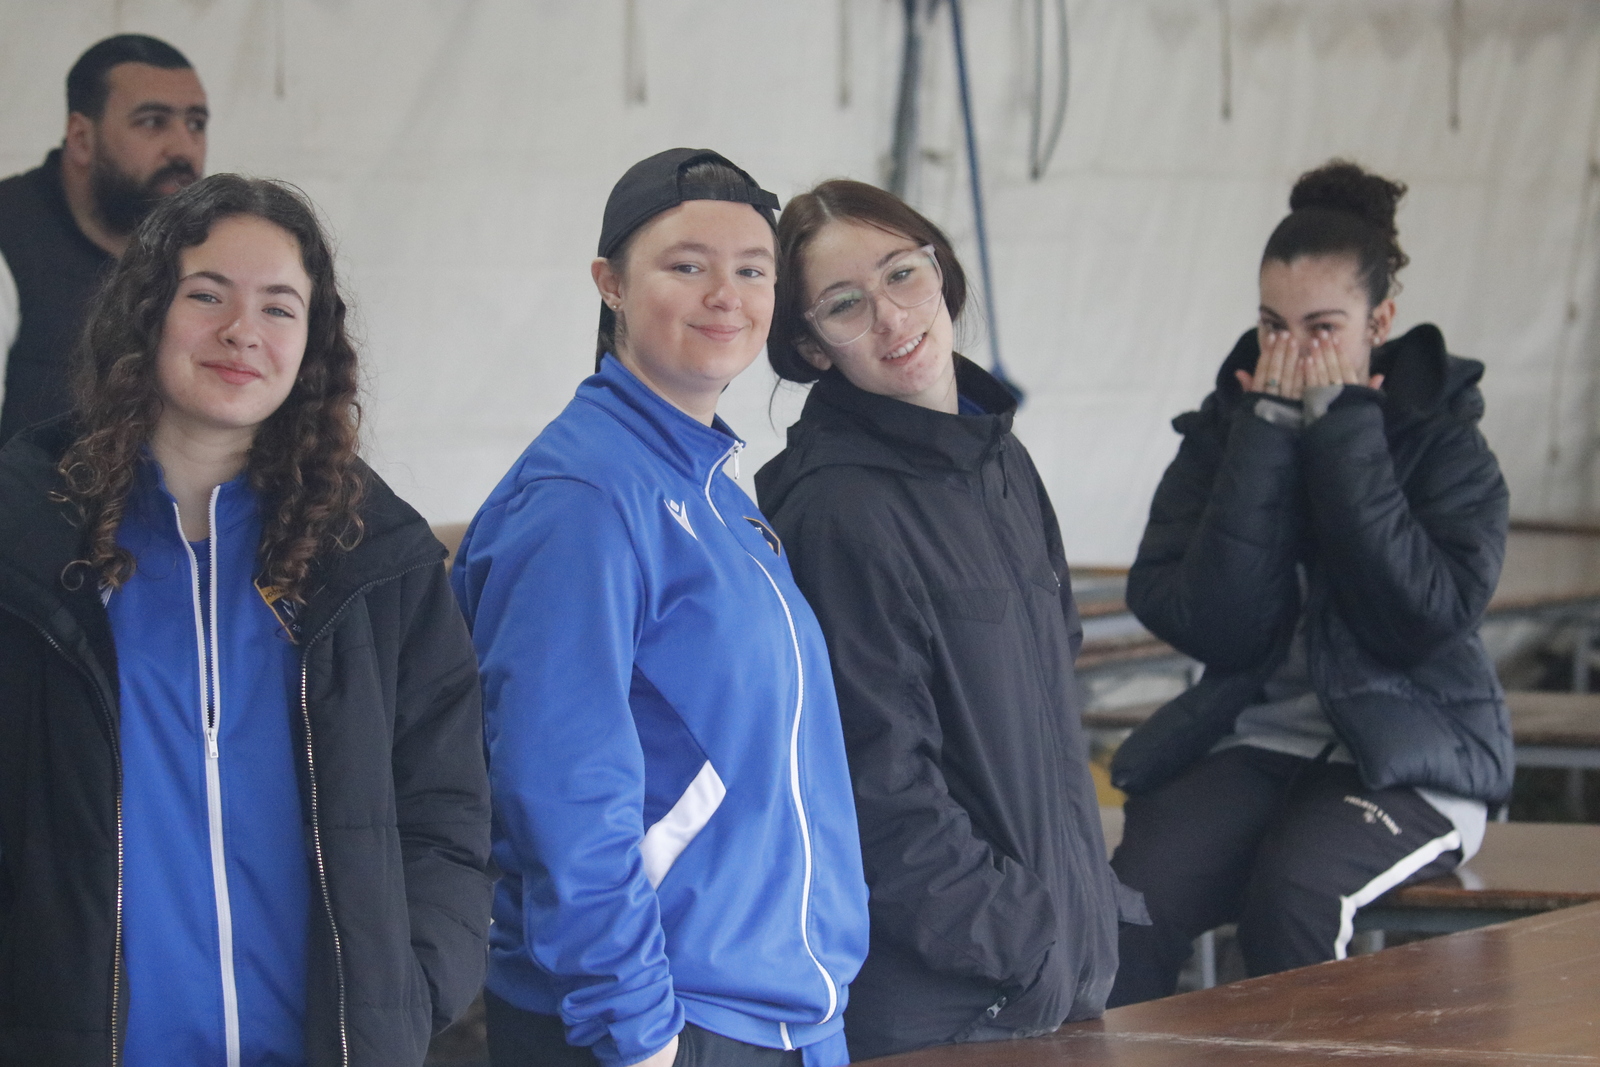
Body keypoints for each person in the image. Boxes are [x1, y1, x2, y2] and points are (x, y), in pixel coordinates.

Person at [0, 174, 493, 1065]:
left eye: (278, 307)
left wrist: (407, 990)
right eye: (207, 295)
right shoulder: (25, 537)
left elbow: (448, 808)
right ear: (146, 310)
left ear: (312, 341)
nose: (242, 331)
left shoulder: (377, 557)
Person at [451, 149, 869, 1067]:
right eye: (687, 265)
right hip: (659, 1020)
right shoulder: (583, 497)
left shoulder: (716, 488)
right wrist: (639, 1031)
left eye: (752, 270)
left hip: (778, 1013)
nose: (726, 294)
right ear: (610, 283)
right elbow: (560, 786)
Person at [1105, 161, 1511, 1005]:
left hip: (1412, 751)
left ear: (1380, 322)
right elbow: (1202, 619)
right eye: (1272, 326)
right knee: (1127, 898)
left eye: (1322, 328)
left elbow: (1421, 618)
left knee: (1294, 895)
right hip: (1258, 741)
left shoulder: (1446, 444)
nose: (1291, 353)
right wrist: (1265, 440)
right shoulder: (1230, 432)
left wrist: (1346, 435)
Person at [754, 179, 1141, 1061]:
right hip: (949, 1004)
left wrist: (1076, 923)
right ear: (811, 345)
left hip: (1054, 980)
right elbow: (877, 790)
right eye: (845, 304)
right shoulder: (837, 511)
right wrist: (1026, 936)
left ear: (942, 273)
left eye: (903, 273)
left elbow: (1052, 695)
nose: (891, 316)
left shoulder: (1000, 460)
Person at [0, 33, 208, 446]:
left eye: (196, 124)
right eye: (153, 122)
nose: (184, 148)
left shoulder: (204, 249)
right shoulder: (10, 234)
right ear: (81, 138)